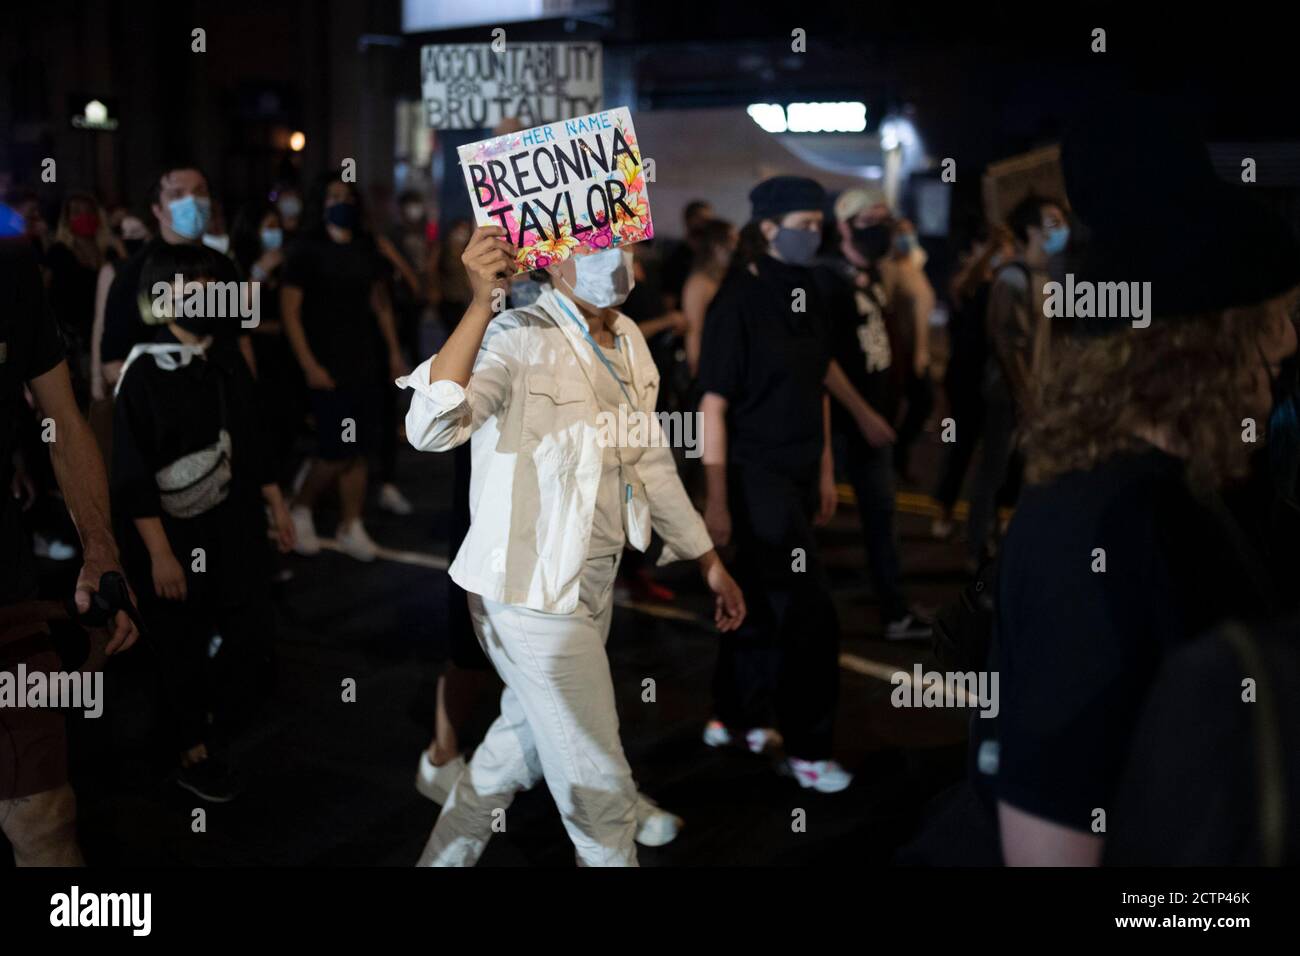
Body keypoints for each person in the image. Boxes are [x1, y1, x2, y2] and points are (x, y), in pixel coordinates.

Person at [978, 99, 1300, 865]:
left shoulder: (1185, 490)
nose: (1291, 341)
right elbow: (1051, 844)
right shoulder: (1099, 529)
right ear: (1204, 346)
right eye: (1278, 318)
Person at [402, 226, 746, 867]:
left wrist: (708, 560)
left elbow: (651, 461)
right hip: (526, 593)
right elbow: (430, 426)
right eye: (590, 245)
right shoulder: (515, 335)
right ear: (550, 260)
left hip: (591, 580)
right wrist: (480, 304)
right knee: (597, 786)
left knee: (519, 743)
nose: (612, 259)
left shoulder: (634, 340)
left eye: (624, 244)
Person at [697, 176, 890, 790]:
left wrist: (828, 465)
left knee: (752, 597)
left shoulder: (811, 287)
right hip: (757, 479)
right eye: (807, 224)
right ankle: (808, 748)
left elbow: (818, 373)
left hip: (802, 474)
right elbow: (712, 406)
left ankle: (733, 717)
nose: (818, 234)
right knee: (812, 614)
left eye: (820, 224)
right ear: (770, 227)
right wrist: (718, 499)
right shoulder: (738, 299)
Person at [111, 244, 294, 802]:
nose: (204, 295)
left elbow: (252, 436)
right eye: (189, 285)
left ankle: (209, 712)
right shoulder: (142, 372)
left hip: (235, 523)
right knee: (181, 638)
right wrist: (161, 553)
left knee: (251, 628)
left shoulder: (225, 356)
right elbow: (131, 472)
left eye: (211, 284)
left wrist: (277, 504)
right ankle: (190, 744)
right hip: (174, 533)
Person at [1, 223, 139, 865]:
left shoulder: (11, 267)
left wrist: (101, 550)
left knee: (44, 815)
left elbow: (61, 420)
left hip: (5, 592)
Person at [815, 188, 929, 640]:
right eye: (870, 221)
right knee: (816, 517)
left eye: (886, 219)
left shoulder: (872, 274)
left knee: (882, 518)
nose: (881, 228)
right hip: (843, 423)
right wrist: (862, 413)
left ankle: (894, 611)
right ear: (844, 227)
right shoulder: (827, 280)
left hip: (874, 421)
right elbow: (823, 359)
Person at [280, 173, 405, 561]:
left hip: (363, 359)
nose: (341, 203)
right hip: (325, 362)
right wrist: (308, 364)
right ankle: (299, 508)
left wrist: (394, 352)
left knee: (360, 447)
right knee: (335, 447)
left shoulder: (365, 248)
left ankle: (351, 525)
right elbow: (291, 312)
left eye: (348, 196)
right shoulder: (305, 250)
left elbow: (380, 303)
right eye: (333, 196)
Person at [966, 194, 1067, 565]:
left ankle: (1009, 546)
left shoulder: (1046, 278)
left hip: (1035, 393)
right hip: (1007, 396)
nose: (1063, 230)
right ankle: (978, 550)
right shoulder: (1012, 277)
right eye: (1053, 222)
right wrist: (1025, 397)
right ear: (1031, 231)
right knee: (993, 473)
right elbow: (1008, 346)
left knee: (1028, 475)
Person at [100, 164, 242, 390]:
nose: (192, 201)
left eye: (199, 191)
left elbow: (239, 338)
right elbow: (112, 363)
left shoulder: (223, 265)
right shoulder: (134, 272)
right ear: (157, 209)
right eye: (177, 194)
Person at [931, 223, 1014, 539]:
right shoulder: (972, 284)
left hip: (991, 379)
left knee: (997, 456)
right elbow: (963, 288)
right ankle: (946, 508)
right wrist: (993, 249)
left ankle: (988, 517)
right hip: (966, 377)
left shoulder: (1004, 285)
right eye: (1000, 248)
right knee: (962, 447)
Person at [883, 218, 936, 483]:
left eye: (910, 231)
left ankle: (896, 457)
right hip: (901, 354)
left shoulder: (914, 267)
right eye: (901, 232)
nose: (908, 236)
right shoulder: (889, 269)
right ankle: (889, 460)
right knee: (903, 406)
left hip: (918, 354)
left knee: (922, 403)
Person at [681, 218, 737, 377]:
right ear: (716, 246)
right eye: (731, 240)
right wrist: (697, 372)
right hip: (709, 364)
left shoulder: (725, 279)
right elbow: (694, 330)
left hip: (723, 359)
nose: (736, 246)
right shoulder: (699, 283)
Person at [661, 199, 715, 308]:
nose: (706, 224)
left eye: (709, 220)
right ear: (688, 221)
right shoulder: (675, 260)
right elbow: (668, 300)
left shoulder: (711, 257)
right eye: (701, 219)